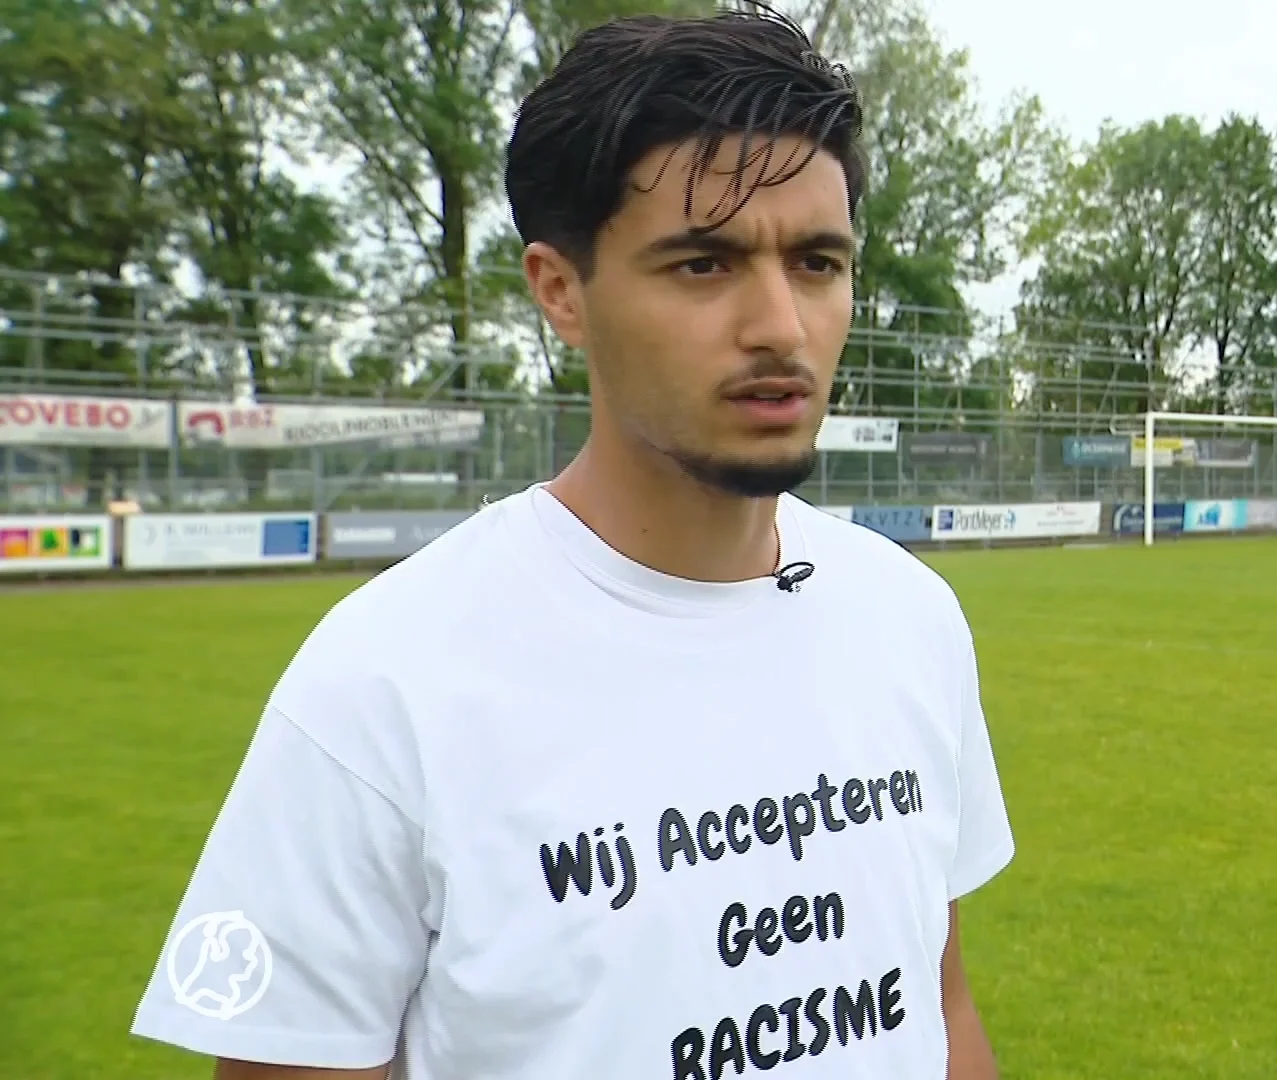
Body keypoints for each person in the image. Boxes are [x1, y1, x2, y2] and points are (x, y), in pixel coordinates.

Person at [128, 8, 1016, 1079]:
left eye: (819, 262)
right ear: (560, 291)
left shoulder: (911, 617)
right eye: (704, 264)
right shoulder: (381, 689)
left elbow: (939, 1003)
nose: (781, 324)